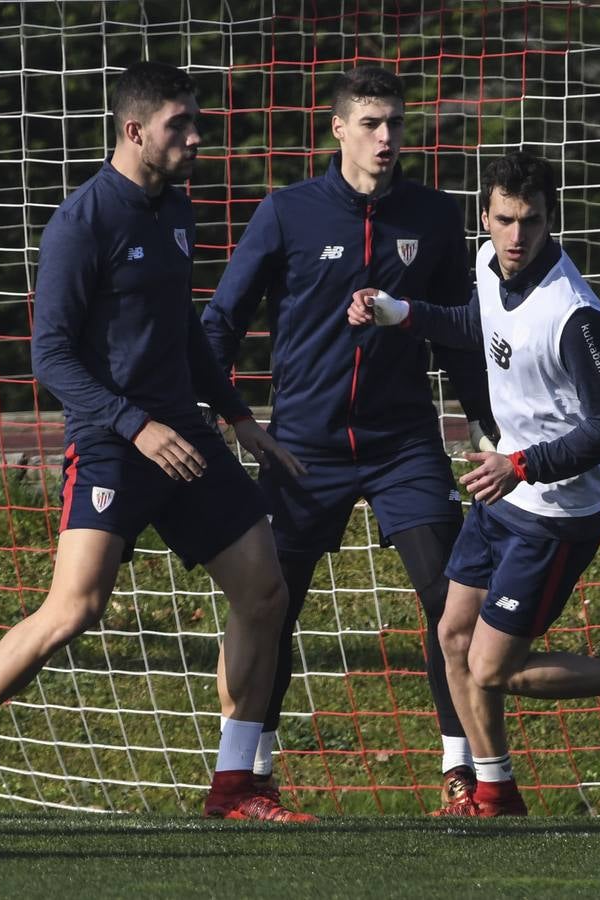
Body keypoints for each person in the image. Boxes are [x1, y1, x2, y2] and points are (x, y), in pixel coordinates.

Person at [0, 61, 315, 823]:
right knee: (75, 608)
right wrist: (134, 425)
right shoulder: (82, 223)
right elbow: (50, 356)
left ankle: (235, 785)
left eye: (196, 122)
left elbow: (183, 330)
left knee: (264, 590)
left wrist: (239, 418)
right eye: (179, 125)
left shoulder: (176, 210)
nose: (195, 137)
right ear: (133, 132)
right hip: (114, 444)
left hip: (183, 437)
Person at [347, 150, 600, 817]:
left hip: (554, 511)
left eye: (531, 223)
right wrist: (398, 310)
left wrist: (522, 465)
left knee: (492, 667)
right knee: (452, 635)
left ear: (550, 221)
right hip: (503, 487)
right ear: (484, 216)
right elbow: (477, 327)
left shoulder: (573, 314)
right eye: (504, 220)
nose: (516, 238)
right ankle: (495, 790)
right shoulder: (486, 264)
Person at [200, 66, 496, 810]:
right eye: (370, 123)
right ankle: (249, 772)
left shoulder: (433, 216)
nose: (387, 136)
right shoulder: (286, 212)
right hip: (304, 447)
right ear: (337, 129)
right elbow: (221, 323)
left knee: (448, 598)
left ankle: (461, 770)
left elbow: (461, 335)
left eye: (395, 121)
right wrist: (223, 412)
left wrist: (491, 430)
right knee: (272, 603)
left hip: (404, 447)